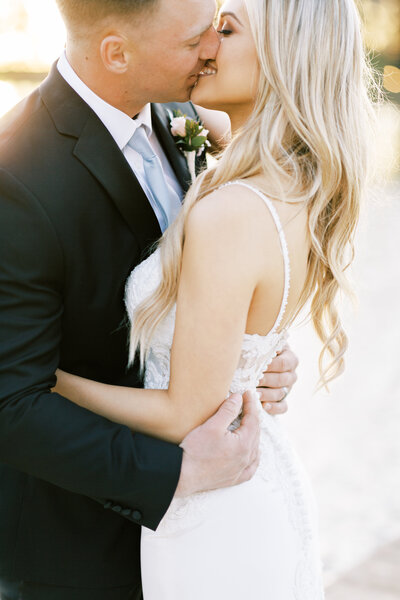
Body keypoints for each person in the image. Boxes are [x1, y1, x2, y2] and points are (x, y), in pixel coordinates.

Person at [53, 0, 376, 598]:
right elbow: (246, 337)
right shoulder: (289, 186)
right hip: (247, 482)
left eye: (227, 30)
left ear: (283, 60)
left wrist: (49, 381)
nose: (207, 43)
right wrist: (255, 370)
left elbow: (183, 413)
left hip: (214, 509)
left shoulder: (233, 210)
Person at [0, 0, 299, 599]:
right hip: (74, 556)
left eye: (217, 28)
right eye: (195, 41)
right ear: (117, 52)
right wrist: (177, 473)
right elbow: (12, 403)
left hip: (198, 538)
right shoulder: (18, 174)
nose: (212, 49)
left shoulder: (186, 113)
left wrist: (253, 354)